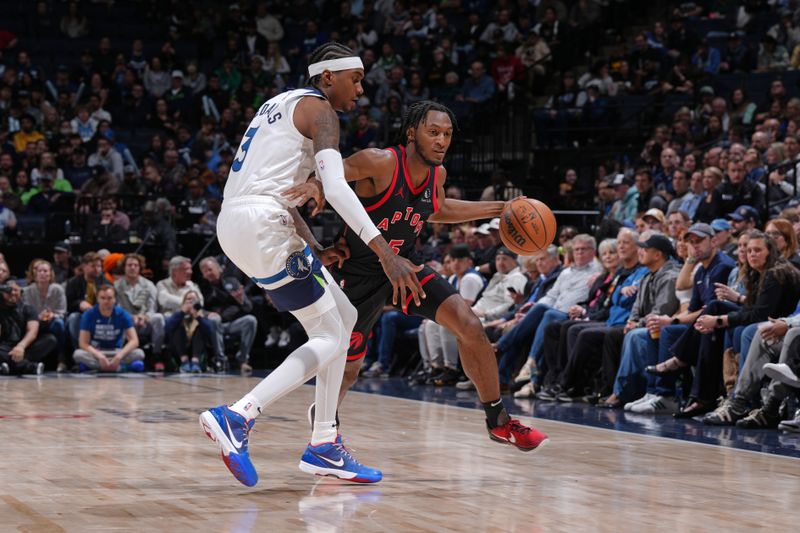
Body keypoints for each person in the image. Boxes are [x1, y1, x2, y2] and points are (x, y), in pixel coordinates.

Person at [200, 43, 424, 487]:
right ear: (326, 78)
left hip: (243, 221)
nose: (361, 88)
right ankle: (239, 416)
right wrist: (386, 253)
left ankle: (324, 443)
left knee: (345, 316)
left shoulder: (277, 105)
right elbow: (337, 188)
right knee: (330, 333)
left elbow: (282, 191)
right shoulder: (321, 111)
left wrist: (315, 249)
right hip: (264, 223)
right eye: (354, 79)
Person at [285, 100, 549, 452]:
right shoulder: (377, 161)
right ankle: (325, 424)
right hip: (358, 274)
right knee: (347, 370)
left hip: (404, 270)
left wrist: (502, 209)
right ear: (412, 133)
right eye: (434, 132)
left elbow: (436, 208)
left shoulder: (436, 176)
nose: (442, 141)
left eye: (448, 135)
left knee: (469, 325)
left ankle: (499, 421)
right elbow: (328, 177)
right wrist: (317, 190)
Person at [72, 285, 145, 372]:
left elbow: (134, 341)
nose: (106, 301)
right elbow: (83, 343)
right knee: (77, 354)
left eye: (109, 298)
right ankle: (121, 367)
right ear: (98, 299)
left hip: (116, 351)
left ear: (115, 299)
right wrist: (100, 356)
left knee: (140, 353)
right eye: (102, 298)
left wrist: (119, 356)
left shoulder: (123, 314)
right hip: (97, 352)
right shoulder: (89, 315)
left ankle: (95, 367)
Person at [21, 259, 67, 372]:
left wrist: (53, 315)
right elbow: (25, 313)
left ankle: (62, 360)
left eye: (45, 271)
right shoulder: (27, 291)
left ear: (50, 274)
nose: (42, 273)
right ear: (35, 274)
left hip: (52, 322)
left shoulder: (58, 289)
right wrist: (37, 317)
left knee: (58, 323)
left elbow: (62, 312)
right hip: (34, 324)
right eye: (40, 271)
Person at [0, 281, 54, 375]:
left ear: (21, 292)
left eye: (15, 290)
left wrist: (21, 346)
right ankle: (28, 367)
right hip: (4, 346)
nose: (12, 293)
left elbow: (32, 332)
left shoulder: (28, 308)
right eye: (8, 290)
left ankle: (8, 366)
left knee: (50, 339)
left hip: (24, 346)